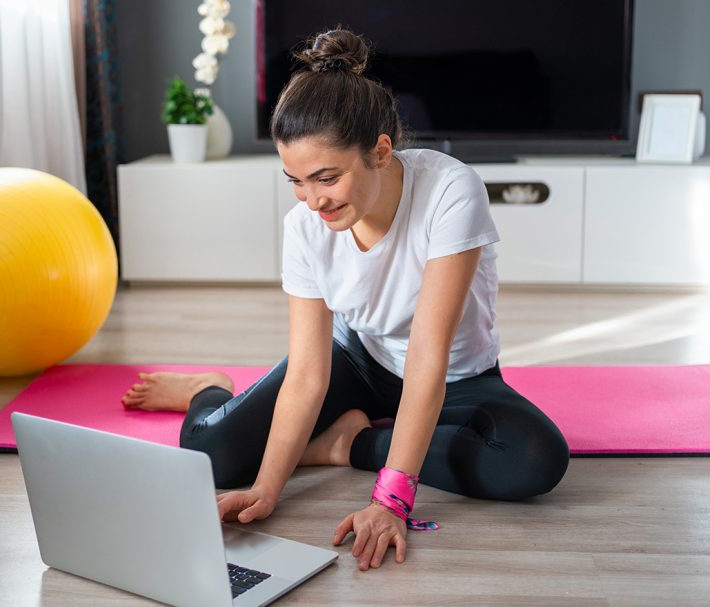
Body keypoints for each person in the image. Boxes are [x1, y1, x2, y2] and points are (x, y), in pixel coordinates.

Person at [121, 29, 569, 572]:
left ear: (380, 151)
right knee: (209, 458)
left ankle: (348, 445)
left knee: (534, 460)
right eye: (296, 181)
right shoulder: (304, 226)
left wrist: (390, 501)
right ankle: (208, 388)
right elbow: (310, 374)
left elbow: (428, 357)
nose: (313, 201)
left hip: (456, 375)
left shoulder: (451, 191)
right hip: (358, 362)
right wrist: (267, 489)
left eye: (326, 178)